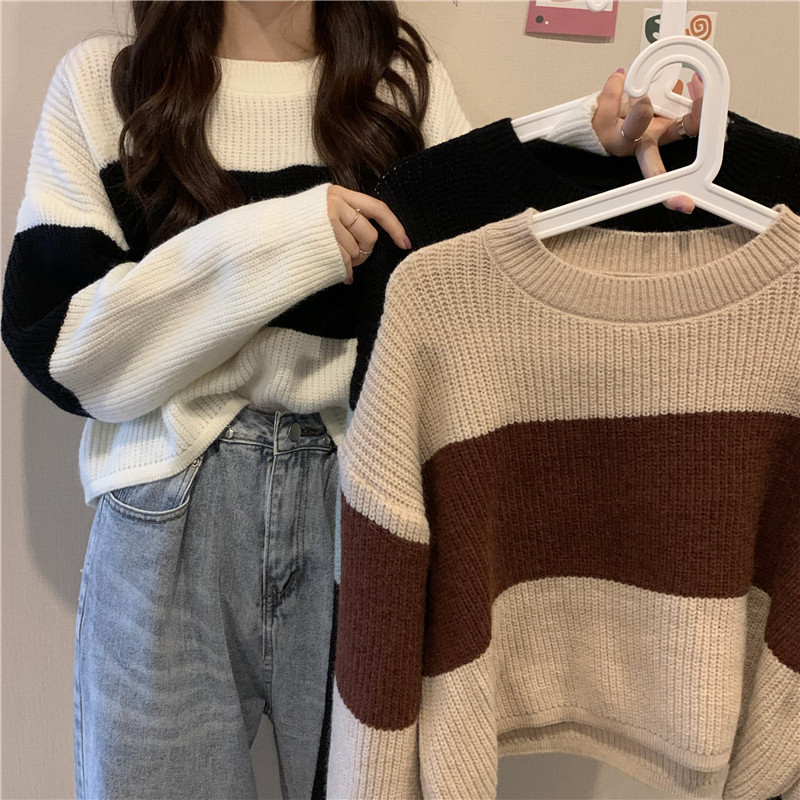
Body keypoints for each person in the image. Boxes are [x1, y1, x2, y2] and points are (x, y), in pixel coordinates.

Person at [1, 2, 702, 798]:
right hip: (170, 510)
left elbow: (479, 271)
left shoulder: (393, 84)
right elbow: (60, 345)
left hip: (364, 496)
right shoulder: (108, 84)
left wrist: (590, 143)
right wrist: (287, 242)